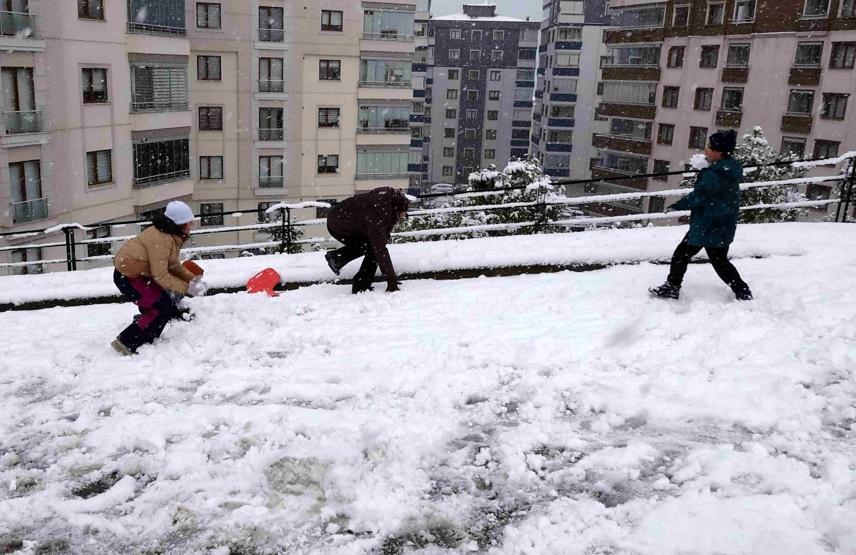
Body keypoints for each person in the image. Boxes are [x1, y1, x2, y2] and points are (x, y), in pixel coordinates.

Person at [650, 130, 753, 301]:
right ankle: (742, 291)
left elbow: (700, 195)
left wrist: (678, 205)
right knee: (719, 261)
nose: (706, 151)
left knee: (682, 255)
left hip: (708, 224)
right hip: (722, 222)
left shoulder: (714, 174)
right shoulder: (729, 168)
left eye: (710, 148)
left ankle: (672, 286)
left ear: (719, 152)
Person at [111, 201, 209, 355]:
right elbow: (161, 275)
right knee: (159, 309)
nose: (191, 227)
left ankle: (148, 335)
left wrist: (192, 279)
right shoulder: (163, 240)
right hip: (129, 278)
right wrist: (187, 287)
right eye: (188, 223)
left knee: (164, 305)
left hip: (139, 274)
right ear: (179, 224)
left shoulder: (169, 235)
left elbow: (173, 265)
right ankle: (126, 343)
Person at [324, 187, 410, 294]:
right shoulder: (378, 215)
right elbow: (380, 249)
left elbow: (382, 226)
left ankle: (338, 260)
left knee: (372, 247)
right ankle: (358, 283)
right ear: (396, 209)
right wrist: (391, 281)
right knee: (374, 249)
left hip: (340, 217)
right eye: (401, 214)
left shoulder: (386, 201)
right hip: (339, 224)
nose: (401, 218)